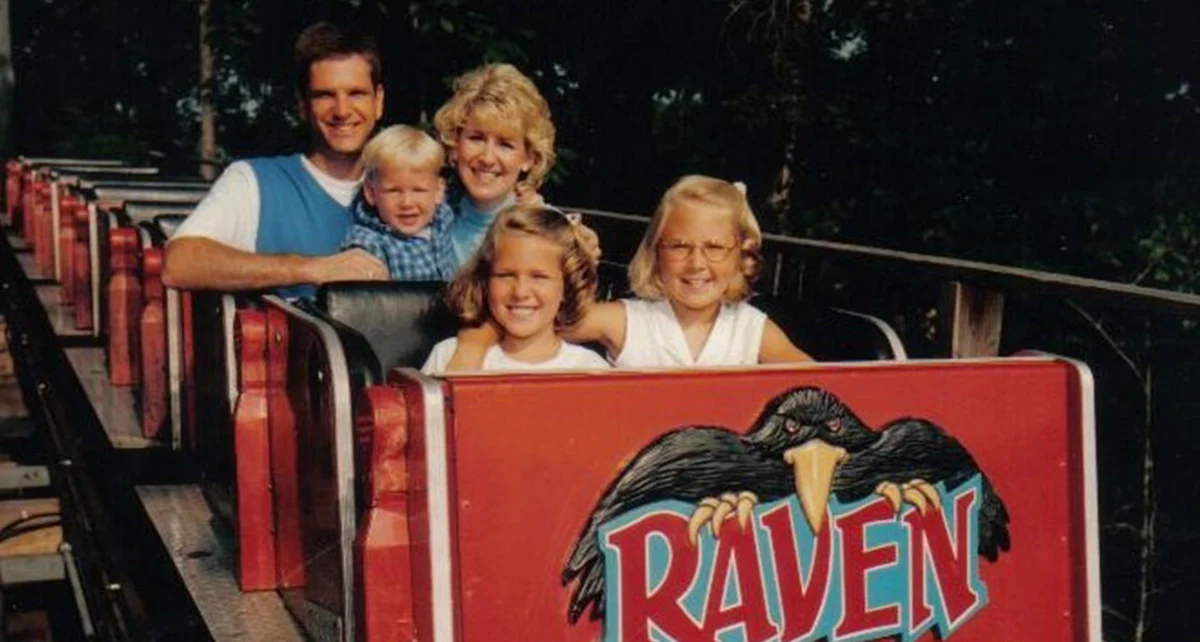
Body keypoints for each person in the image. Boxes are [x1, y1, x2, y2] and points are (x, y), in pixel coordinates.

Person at [447, 175, 813, 369]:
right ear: (655, 253)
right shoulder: (628, 321)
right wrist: (472, 344)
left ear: (741, 256)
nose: (697, 264)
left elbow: (822, 383)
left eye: (715, 248)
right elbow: (529, 317)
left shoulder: (752, 328)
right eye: (679, 246)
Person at [163, 22, 389, 294]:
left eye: (356, 93)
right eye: (324, 95)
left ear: (378, 102)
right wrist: (313, 269)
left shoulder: (414, 185)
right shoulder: (255, 181)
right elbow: (180, 263)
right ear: (302, 106)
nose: (341, 110)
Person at [421, 205, 610, 373]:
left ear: (567, 287)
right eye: (505, 275)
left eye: (539, 277)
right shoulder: (448, 356)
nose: (520, 292)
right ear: (485, 281)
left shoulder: (590, 370)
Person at [432, 63, 556, 266]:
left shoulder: (549, 228)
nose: (487, 158)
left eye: (505, 145)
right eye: (476, 138)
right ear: (455, 144)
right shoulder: (426, 213)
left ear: (529, 158)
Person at [339, 125, 458, 280]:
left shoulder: (443, 218)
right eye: (393, 191)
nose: (407, 203)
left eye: (418, 190)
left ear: (439, 191)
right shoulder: (368, 244)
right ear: (371, 193)